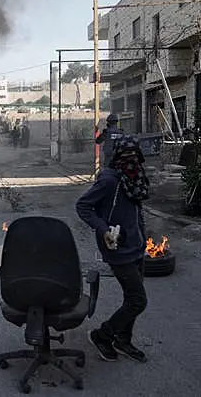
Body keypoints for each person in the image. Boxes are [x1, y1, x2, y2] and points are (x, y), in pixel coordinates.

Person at [75, 135, 149, 364]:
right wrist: (103, 229)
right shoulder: (108, 181)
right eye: (125, 156)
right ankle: (102, 335)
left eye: (134, 155)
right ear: (116, 157)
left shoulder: (135, 179)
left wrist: (143, 239)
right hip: (116, 248)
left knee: (131, 299)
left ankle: (123, 341)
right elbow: (83, 206)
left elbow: (137, 212)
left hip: (136, 247)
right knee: (138, 300)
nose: (131, 161)